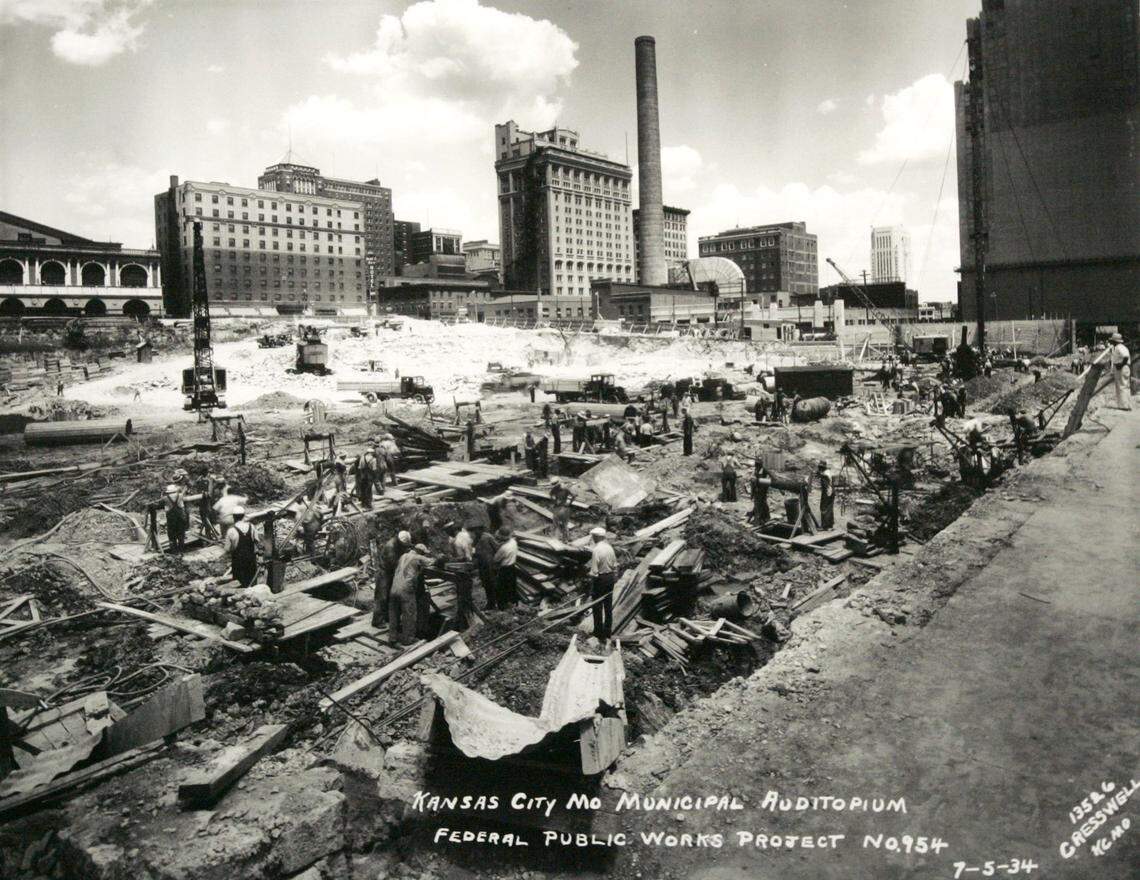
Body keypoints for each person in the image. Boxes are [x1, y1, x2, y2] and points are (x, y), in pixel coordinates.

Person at [388, 544, 433, 646]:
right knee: (409, 614)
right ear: (420, 552)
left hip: (394, 588)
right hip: (406, 589)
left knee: (393, 613)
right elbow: (432, 562)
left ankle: (392, 638)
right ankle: (408, 639)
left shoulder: (403, 556)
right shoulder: (418, 557)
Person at [372, 530, 410, 627]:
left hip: (390, 573)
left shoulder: (399, 545)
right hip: (384, 573)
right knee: (382, 597)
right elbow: (393, 563)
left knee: (389, 596)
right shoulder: (391, 547)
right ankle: (377, 621)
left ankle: (387, 617)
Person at [587, 527, 617, 640]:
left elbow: (594, 572)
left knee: (597, 605)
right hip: (610, 578)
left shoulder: (596, 550)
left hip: (600, 579)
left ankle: (598, 633)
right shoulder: (609, 548)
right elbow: (615, 565)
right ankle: (607, 632)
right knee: (608, 606)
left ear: (597, 537)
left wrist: (590, 578)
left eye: (594, 536)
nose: (593, 538)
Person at [448, 523, 478, 629]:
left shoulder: (461, 538)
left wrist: (466, 561)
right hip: (463, 564)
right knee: (463, 592)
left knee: (463, 592)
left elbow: (467, 552)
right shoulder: (460, 536)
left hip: (464, 566)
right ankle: (463, 616)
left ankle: (465, 619)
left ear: (454, 530)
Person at [224, 508, 259, 588]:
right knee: (252, 583)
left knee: (239, 585)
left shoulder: (231, 531)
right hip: (251, 560)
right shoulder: (252, 527)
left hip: (238, 562)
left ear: (234, 517)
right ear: (243, 516)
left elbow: (227, 549)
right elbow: (257, 541)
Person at [473, 523, 499, 609]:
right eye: (474, 530)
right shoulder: (477, 539)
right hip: (482, 566)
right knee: (486, 584)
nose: (475, 531)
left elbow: (497, 549)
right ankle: (490, 603)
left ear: (480, 529)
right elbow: (476, 552)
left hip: (490, 565)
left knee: (493, 584)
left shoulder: (488, 537)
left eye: (476, 529)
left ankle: (499, 603)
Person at [492, 526, 518, 607]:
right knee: (512, 585)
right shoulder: (513, 542)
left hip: (505, 569)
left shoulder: (503, 548)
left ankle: (502, 605)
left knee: (501, 588)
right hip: (512, 567)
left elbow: (495, 559)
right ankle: (513, 602)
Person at [1109, 332, 1132, 410]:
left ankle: (1124, 406)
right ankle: (1125, 404)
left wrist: (1121, 365)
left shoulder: (1119, 347)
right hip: (1121, 367)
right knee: (1123, 386)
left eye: (1112, 341)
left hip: (1121, 367)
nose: (1111, 342)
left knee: (1122, 386)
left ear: (1115, 341)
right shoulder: (1118, 347)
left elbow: (1125, 356)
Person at [163, 483, 188, 554]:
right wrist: (184, 490)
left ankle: (174, 551)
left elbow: (161, 500)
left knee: (172, 536)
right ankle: (181, 551)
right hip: (180, 518)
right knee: (181, 535)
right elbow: (183, 494)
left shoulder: (165, 498)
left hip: (171, 519)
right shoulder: (180, 495)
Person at [550, 477, 574, 542]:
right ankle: (555, 539)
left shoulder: (565, 489)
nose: (555, 486)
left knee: (564, 524)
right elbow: (552, 496)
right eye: (554, 485)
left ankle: (565, 539)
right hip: (557, 508)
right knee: (555, 524)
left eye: (556, 484)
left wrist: (567, 503)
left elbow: (570, 496)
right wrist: (555, 500)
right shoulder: (553, 490)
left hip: (565, 508)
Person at [355, 443, 377, 508]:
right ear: (372, 453)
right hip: (370, 477)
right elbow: (374, 469)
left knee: (363, 489)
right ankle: (369, 505)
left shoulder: (362, 458)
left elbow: (360, 468)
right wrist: (375, 477)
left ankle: (363, 503)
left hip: (363, 476)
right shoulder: (373, 459)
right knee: (369, 490)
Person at [817, 460, 835, 531]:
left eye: (821, 467)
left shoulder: (826, 473)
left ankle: (825, 526)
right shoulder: (827, 472)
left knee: (824, 508)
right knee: (829, 508)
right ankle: (830, 524)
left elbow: (825, 476)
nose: (820, 468)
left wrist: (820, 475)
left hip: (828, 492)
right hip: (829, 491)